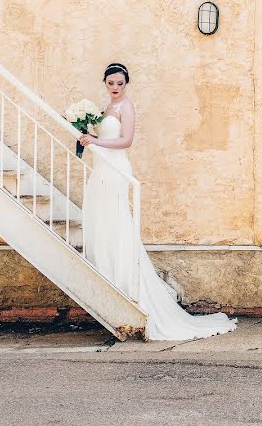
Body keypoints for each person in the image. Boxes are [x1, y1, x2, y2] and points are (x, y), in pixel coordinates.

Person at [79, 62, 237, 341]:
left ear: (126, 85)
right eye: (111, 83)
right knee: (102, 224)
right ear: (104, 83)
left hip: (114, 169)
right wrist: (88, 135)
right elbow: (106, 135)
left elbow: (126, 141)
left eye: (120, 84)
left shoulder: (126, 107)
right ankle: (113, 285)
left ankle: (130, 290)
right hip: (101, 168)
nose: (115, 88)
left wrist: (95, 141)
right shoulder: (106, 108)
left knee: (116, 224)